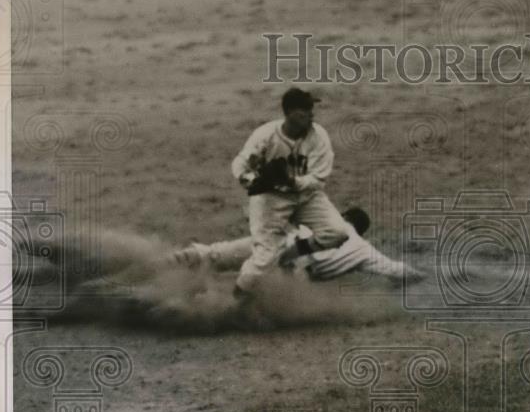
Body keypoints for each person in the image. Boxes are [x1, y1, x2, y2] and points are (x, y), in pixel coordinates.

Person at [231, 87, 351, 298]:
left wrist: (292, 182)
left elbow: (317, 179)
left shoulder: (318, 136)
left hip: (306, 197)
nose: (311, 114)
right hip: (270, 200)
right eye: (305, 110)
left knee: (337, 232)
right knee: (263, 259)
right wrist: (250, 180)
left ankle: (287, 256)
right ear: (289, 113)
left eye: (311, 108)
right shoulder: (266, 135)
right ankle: (236, 300)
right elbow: (241, 164)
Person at [171, 206, 425, 284]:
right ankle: (200, 308)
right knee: (249, 295)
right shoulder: (364, 249)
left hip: (276, 244)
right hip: (293, 273)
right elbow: (398, 270)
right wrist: (420, 278)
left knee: (214, 254)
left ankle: (180, 260)